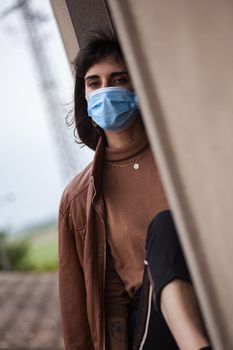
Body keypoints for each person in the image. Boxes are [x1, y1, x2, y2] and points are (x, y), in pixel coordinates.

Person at [58, 30, 212, 350]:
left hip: (214, 287)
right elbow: (105, 297)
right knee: (166, 227)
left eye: (119, 78)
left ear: (138, 87)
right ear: (84, 99)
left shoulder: (185, 155)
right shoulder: (79, 198)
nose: (106, 90)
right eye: (94, 83)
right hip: (151, 323)